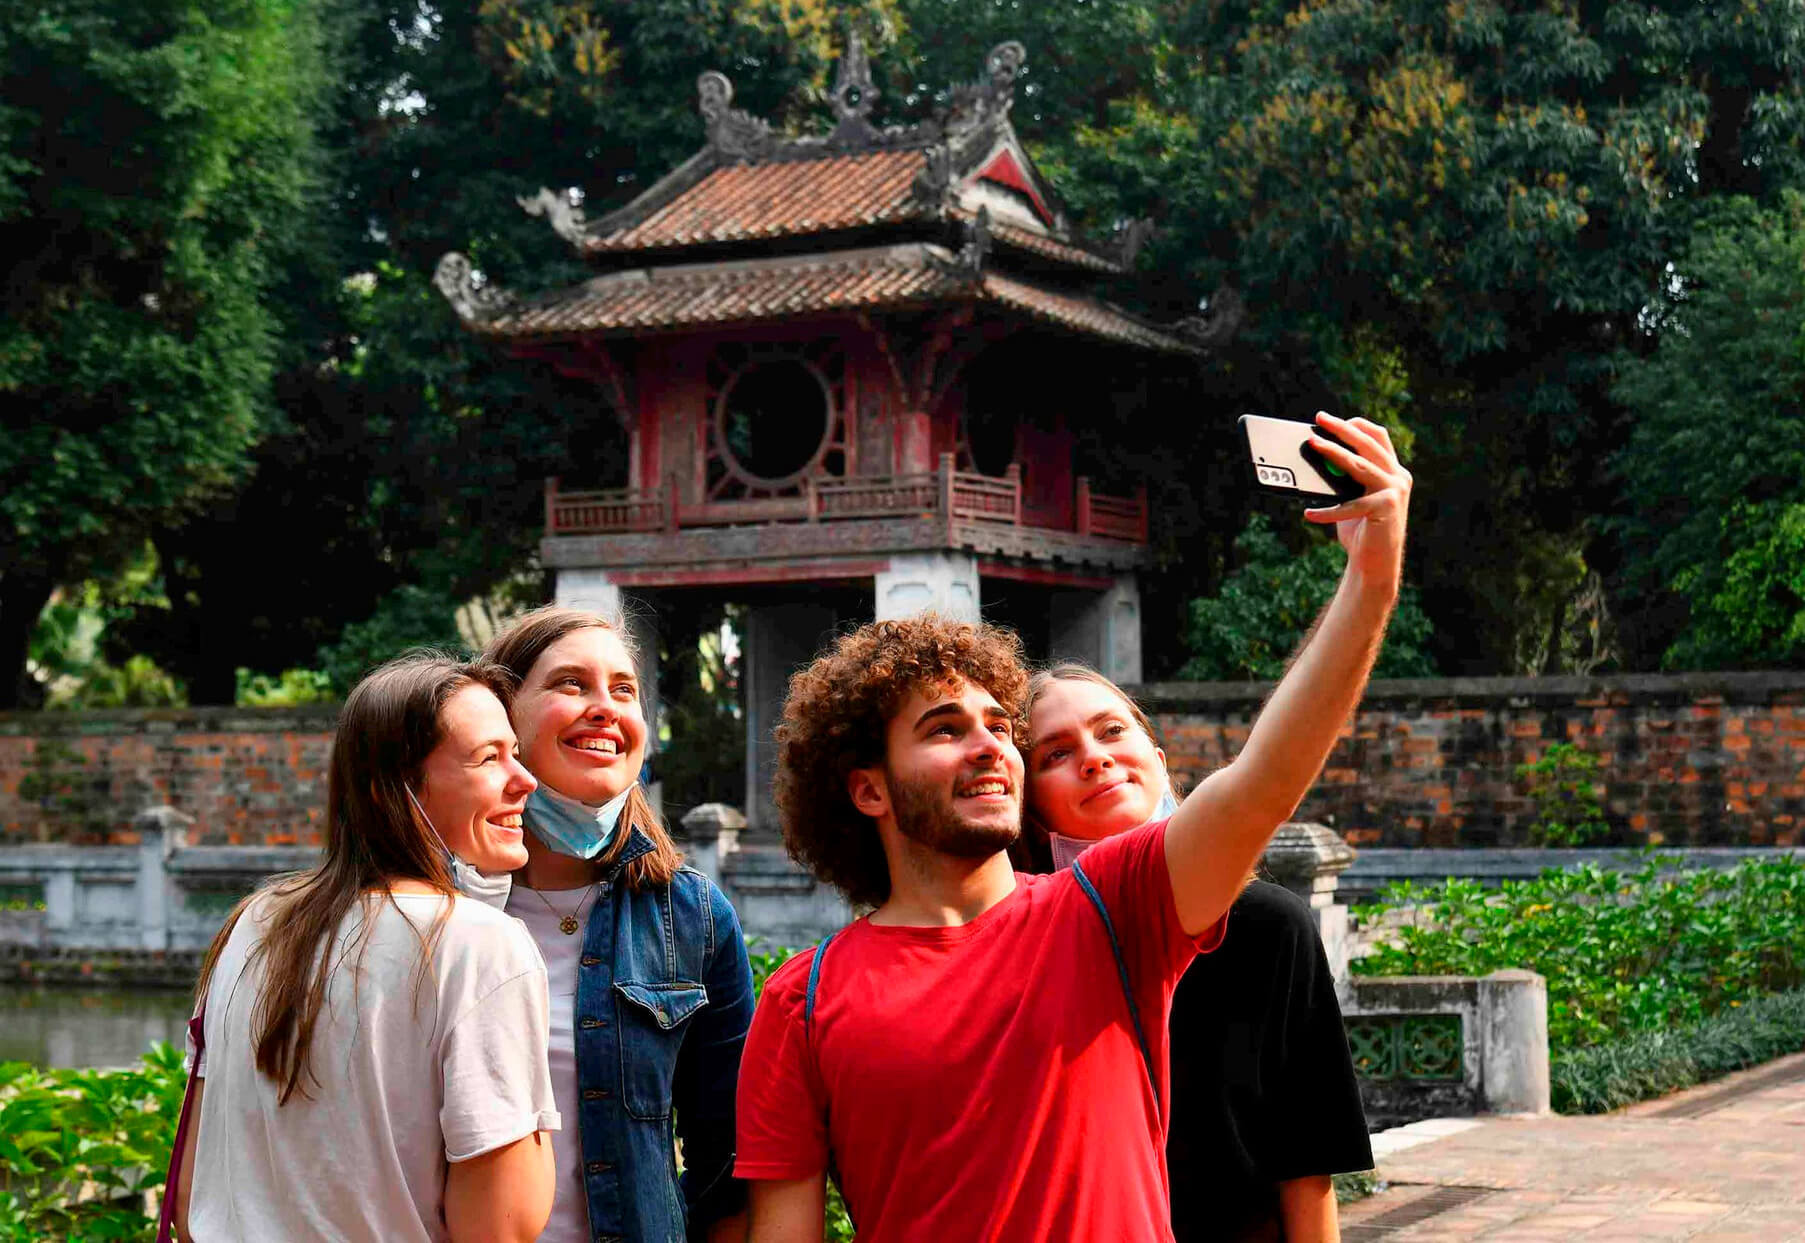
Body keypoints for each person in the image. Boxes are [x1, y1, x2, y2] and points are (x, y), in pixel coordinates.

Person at [736, 412, 1409, 1243]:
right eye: (945, 728)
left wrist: (1370, 581)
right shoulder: (802, 1000)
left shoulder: (1108, 910)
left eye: (997, 725)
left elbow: (1261, 780)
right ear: (867, 789)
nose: (989, 744)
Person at [173, 653, 559, 1243]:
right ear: (393, 793)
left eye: (516, 753)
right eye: (488, 758)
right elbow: (501, 1225)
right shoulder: (481, 945)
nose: (525, 780)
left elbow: (191, 1195)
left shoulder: (253, 925)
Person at [1023, 663, 1373, 1243]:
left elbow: (1306, 1161)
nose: (1094, 758)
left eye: (1111, 731)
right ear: (1031, 809)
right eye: (1054, 754)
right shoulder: (1024, 943)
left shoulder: (1269, 925)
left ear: (1159, 761)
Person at [483, 607, 756, 1243]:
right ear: (501, 718)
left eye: (624, 690)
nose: (606, 708)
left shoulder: (691, 916)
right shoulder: (436, 912)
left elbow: (730, 1161)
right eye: (570, 684)